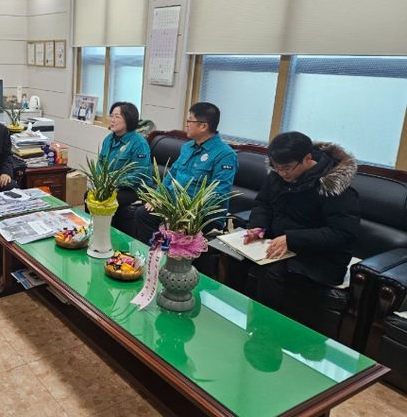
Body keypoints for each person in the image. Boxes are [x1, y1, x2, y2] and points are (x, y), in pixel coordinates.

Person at [240, 131, 360, 311]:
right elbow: (263, 204)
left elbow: (342, 233)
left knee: (271, 271)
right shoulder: (277, 175)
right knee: (235, 256)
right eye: (276, 167)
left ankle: (265, 325)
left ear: (307, 158)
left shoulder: (332, 186)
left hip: (320, 258)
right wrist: (258, 226)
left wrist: (291, 239)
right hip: (280, 245)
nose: (282, 173)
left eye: (287, 168)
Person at [134, 102, 238, 243]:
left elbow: (219, 194)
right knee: (143, 214)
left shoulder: (225, 155)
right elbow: (171, 175)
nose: (186, 124)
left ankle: (168, 254)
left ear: (203, 126)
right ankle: (153, 253)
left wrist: (186, 213)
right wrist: (158, 197)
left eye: (190, 120)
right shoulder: (187, 147)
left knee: (177, 227)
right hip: (174, 207)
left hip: (200, 215)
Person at [97, 102, 151, 232]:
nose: (112, 120)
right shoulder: (108, 139)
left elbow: (140, 173)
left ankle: (110, 234)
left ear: (128, 120)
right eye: (111, 116)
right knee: (89, 195)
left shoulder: (139, 143)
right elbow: (100, 163)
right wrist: (99, 180)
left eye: (117, 117)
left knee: (107, 200)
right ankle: (96, 231)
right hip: (111, 186)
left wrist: (114, 182)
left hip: (133, 189)